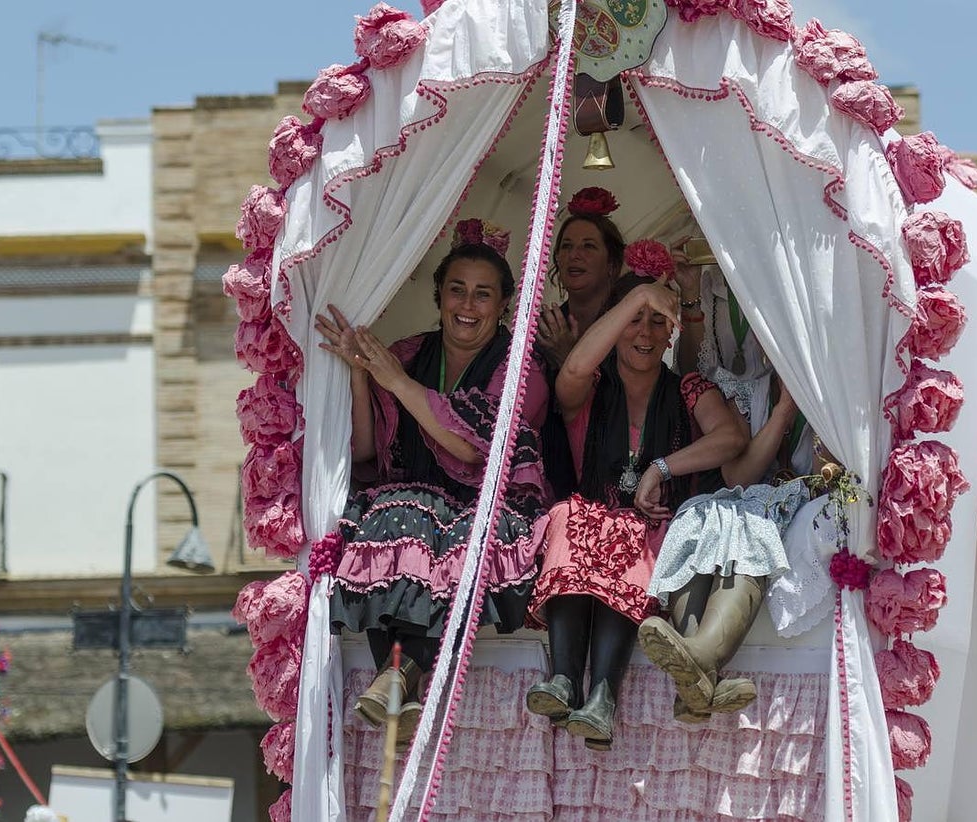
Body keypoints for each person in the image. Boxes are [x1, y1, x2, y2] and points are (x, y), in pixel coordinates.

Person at [317, 219, 548, 746]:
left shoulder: (522, 368)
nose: (468, 304)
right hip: (408, 507)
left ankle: (400, 674)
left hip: (487, 510)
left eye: (483, 294)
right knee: (384, 515)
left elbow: (471, 447)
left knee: (410, 516)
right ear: (439, 296)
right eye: (457, 290)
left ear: (504, 305)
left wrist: (394, 382)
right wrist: (359, 374)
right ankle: (395, 675)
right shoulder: (406, 352)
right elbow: (368, 451)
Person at [525, 258, 748, 751]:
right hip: (589, 530)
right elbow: (575, 367)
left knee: (627, 538)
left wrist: (661, 467)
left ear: (671, 331)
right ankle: (564, 682)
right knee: (568, 516)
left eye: (656, 321)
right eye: (633, 319)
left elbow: (731, 437)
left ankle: (602, 696)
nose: (645, 333)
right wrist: (641, 295)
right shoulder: (589, 389)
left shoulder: (687, 388)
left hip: (655, 535)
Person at [640, 256, 819, 723]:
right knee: (703, 515)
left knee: (748, 525)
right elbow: (739, 475)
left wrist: (795, 411)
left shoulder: (830, 401)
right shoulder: (751, 389)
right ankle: (699, 670)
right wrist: (780, 411)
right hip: (749, 497)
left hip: (793, 500)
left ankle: (696, 661)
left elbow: (824, 473)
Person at [534, 186, 627, 500]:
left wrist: (567, 357)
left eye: (589, 246)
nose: (575, 255)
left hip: (612, 465)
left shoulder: (628, 327)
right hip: (551, 463)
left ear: (612, 264)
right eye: (567, 246)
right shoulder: (545, 325)